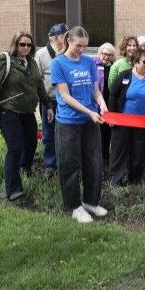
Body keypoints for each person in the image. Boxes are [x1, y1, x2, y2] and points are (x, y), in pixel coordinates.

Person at [0, 32, 53, 201]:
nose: (26, 48)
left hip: (27, 111)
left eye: (29, 45)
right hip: (8, 110)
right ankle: (13, 189)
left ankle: (25, 171)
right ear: (15, 44)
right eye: (22, 44)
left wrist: (48, 106)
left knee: (30, 144)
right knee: (15, 148)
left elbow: (39, 86)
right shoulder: (4, 60)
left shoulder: (31, 62)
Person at [51, 26, 109, 223]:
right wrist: (90, 112)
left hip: (90, 121)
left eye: (85, 46)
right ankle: (74, 206)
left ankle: (91, 202)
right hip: (69, 122)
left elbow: (96, 90)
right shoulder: (58, 63)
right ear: (69, 41)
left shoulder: (89, 62)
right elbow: (65, 96)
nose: (82, 50)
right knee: (70, 164)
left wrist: (101, 104)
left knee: (94, 162)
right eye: (78, 46)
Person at [107, 49, 145, 185]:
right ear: (135, 62)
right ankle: (116, 180)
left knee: (138, 153)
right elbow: (113, 95)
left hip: (141, 124)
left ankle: (135, 180)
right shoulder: (125, 76)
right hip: (122, 122)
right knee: (119, 151)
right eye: (144, 62)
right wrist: (112, 116)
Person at [35, 22, 67, 177]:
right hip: (50, 100)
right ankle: (50, 164)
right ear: (55, 38)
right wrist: (43, 99)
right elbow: (37, 78)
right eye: (65, 35)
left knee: (65, 133)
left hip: (66, 100)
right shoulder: (41, 54)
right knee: (48, 133)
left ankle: (63, 163)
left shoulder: (67, 52)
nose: (68, 38)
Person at [95, 42, 117, 161]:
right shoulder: (93, 64)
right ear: (99, 53)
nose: (105, 56)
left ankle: (106, 158)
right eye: (103, 53)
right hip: (98, 102)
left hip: (110, 103)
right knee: (99, 132)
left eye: (109, 54)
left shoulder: (114, 66)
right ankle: (99, 158)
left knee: (108, 132)